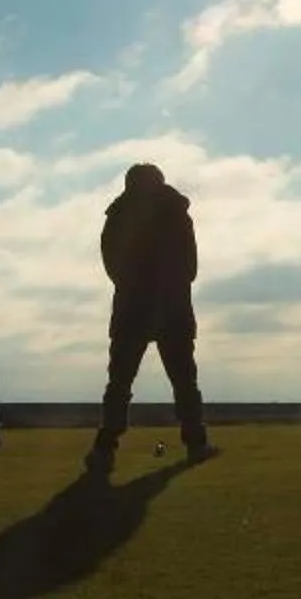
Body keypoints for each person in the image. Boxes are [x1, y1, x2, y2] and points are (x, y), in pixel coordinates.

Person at [85, 162, 211, 475]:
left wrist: (131, 284)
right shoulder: (176, 214)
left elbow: (111, 261)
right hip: (172, 306)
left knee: (120, 382)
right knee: (183, 380)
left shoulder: (118, 215)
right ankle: (196, 443)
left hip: (132, 306)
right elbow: (190, 266)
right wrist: (170, 284)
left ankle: (106, 446)